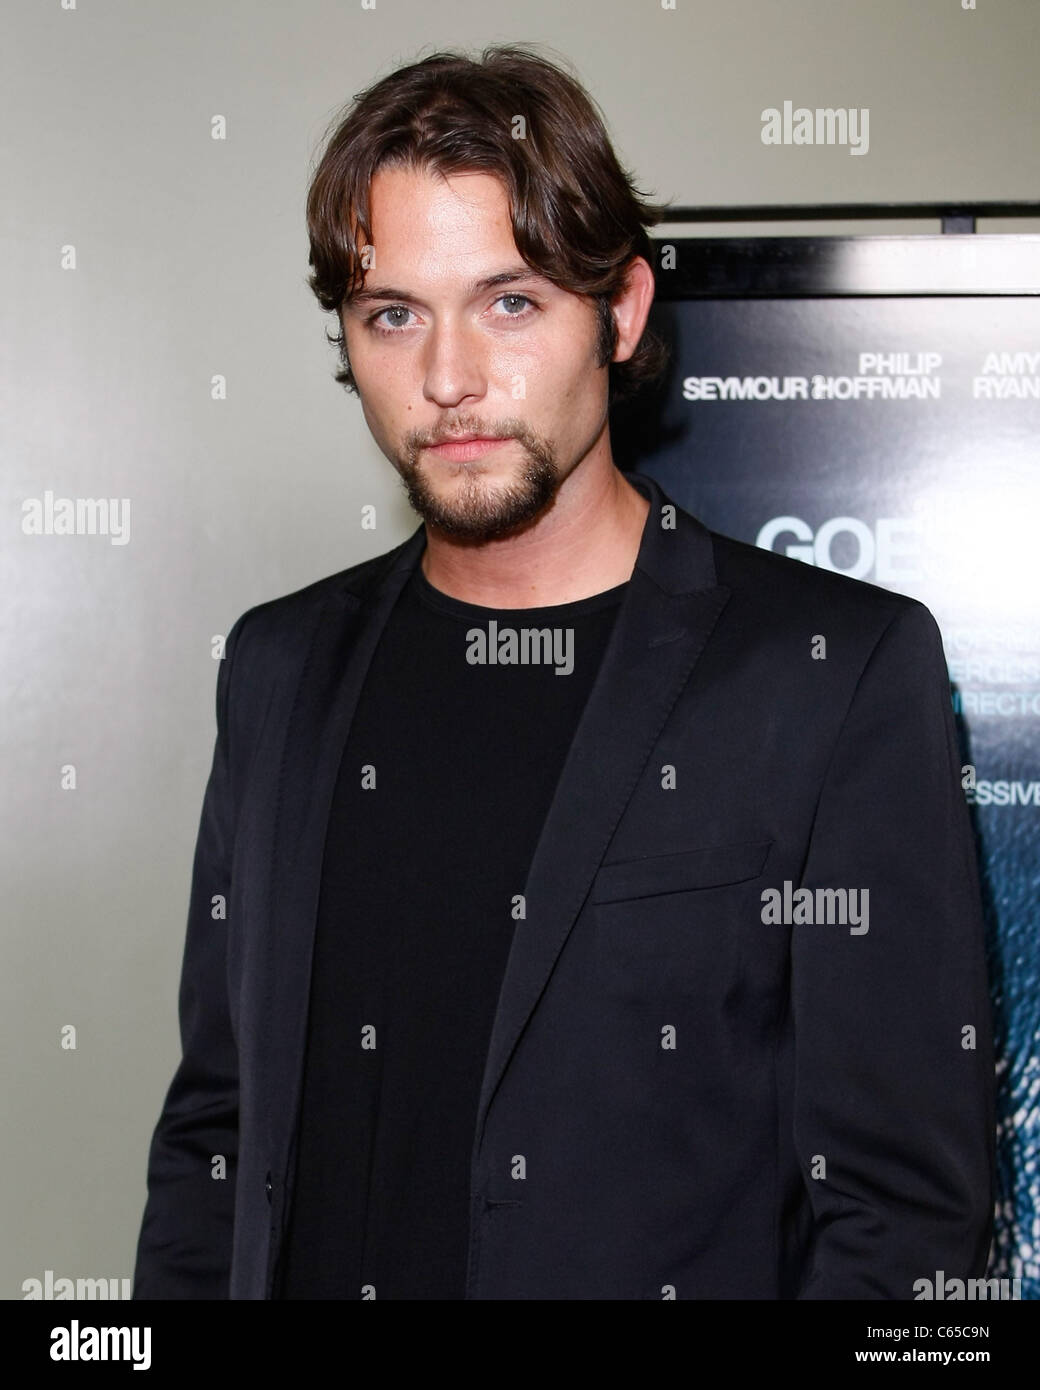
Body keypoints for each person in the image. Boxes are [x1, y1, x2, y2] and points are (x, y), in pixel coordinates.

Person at [133, 44, 995, 1300]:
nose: (448, 380)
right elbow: (215, 1134)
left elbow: (902, 1220)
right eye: (393, 315)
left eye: (511, 301)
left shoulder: (831, 672)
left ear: (623, 311)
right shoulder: (277, 667)